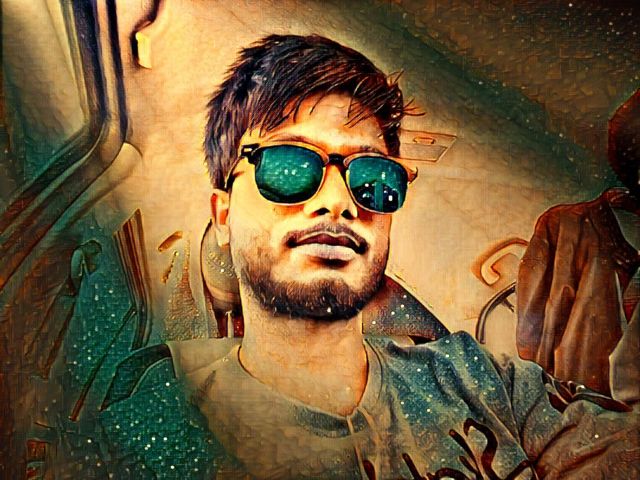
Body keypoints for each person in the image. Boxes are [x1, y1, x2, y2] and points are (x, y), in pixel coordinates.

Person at [99, 35, 639, 479]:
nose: (338, 202)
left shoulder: (485, 382)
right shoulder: (148, 434)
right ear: (222, 216)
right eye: (289, 166)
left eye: (373, 177)